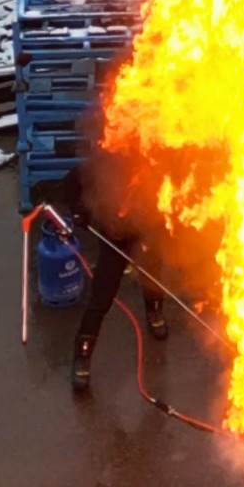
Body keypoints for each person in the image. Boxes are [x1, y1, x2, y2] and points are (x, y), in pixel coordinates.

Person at [58, 158, 167, 395]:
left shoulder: (154, 157)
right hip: (113, 237)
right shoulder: (104, 161)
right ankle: (83, 355)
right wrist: (79, 211)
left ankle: (154, 309)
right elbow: (70, 183)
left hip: (145, 233)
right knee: (101, 298)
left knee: (152, 279)